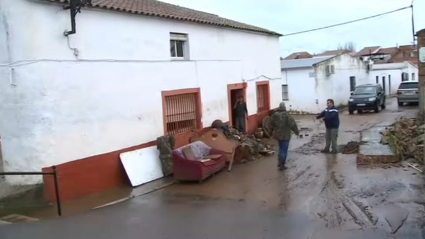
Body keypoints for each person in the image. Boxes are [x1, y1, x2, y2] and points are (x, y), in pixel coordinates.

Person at [270, 102, 299, 170]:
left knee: (280, 148)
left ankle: (279, 162)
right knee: (284, 150)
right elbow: (292, 124)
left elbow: (271, 123)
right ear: (285, 107)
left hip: (278, 135)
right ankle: (282, 164)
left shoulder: (275, 115)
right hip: (285, 135)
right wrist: (296, 132)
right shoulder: (287, 115)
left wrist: (272, 131)